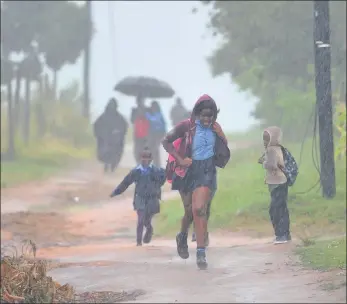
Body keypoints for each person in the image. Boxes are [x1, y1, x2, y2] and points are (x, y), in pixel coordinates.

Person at [162, 94, 230, 270]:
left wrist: (221, 134)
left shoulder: (216, 127)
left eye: (211, 115)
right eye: (204, 115)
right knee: (189, 212)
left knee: (200, 209)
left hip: (206, 170)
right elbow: (166, 141)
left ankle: (201, 252)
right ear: (197, 114)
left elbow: (223, 146)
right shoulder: (186, 126)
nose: (207, 119)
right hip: (186, 170)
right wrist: (180, 159)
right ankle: (182, 236)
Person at [110, 147, 166, 246]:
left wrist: (157, 187)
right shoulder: (136, 171)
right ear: (140, 159)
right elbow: (125, 183)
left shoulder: (156, 171)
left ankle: (149, 229)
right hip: (140, 197)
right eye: (143, 158)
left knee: (147, 220)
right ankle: (138, 241)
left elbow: (163, 178)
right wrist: (116, 192)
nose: (145, 160)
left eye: (147, 158)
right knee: (140, 219)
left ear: (151, 160)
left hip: (152, 199)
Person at [258, 126, 291, 244]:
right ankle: (284, 234)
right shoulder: (278, 148)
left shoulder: (272, 150)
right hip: (279, 183)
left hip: (278, 183)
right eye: (264, 139)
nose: (265, 142)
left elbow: (272, 165)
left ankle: (281, 235)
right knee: (281, 208)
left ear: (273, 139)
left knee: (276, 209)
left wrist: (264, 162)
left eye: (267, 139)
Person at [93, 98, 128, 173]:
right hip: (105, 140)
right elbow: (96, 126)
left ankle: (112, 167)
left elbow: (124, 127)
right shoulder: (103, 117)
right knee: (105, 154)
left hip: (116, 141)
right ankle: (107, 166)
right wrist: (100, 135)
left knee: (116, 155)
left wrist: (119, 133)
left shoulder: (119, 118)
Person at [146, 100, 167, 167]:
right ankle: (156, 164)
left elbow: (153, 119)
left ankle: (156, 165)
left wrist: (147, 114)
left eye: (153, 106)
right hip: (153, 134)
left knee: (155, 149)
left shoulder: (158, 114)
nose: (152, 107)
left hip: (158, 134)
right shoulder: (157, 114)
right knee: (153, 149)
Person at [131, 95, 150, 164]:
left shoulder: (148, 109)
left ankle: (143, 164)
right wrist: (137, 115)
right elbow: (132, 120)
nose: (140, 102)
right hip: (137, 133)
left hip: (146, 133)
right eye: (138, 100)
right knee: (137, 151)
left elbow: (150, 120)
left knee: (144, 150)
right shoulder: (134, 110)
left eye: (141, 100)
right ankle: (139, 163)